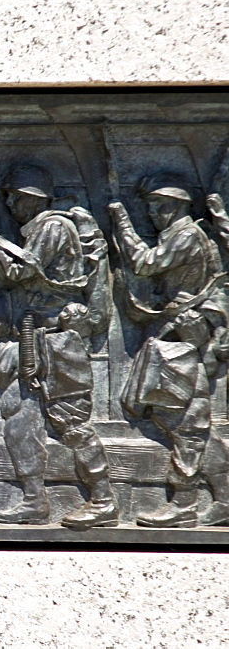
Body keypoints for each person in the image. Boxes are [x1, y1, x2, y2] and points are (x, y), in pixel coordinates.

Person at [0, 164, 119, 528]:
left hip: (58, 342)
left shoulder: (53, 226)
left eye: (14, 196)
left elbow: (20, 272)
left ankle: (104, 501)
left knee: (72, 424)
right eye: (6, 195)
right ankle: (35, 501)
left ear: (34, 198)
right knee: (18, 418)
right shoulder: (36, 229)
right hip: (31, 339)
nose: (8, 203)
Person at [109, 173, 229, 528]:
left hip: (185, 332)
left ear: (179, 206)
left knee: (185, 419)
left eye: (160, 206)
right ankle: (223, 497)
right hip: (179, 329)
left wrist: (122, 223)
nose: (153, 213)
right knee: (178, 418)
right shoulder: (183, 234)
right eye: (148, 207)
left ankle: (185, 502)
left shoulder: (187, 235)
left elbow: (146, 264)